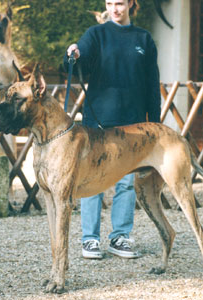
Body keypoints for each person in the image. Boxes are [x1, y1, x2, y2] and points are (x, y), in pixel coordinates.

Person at [63, 0, 161, 259]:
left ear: (130, 3)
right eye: (109, 3)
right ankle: (90, 239)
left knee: (127, 184)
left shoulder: (144, 39)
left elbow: (152, 85)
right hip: (97, 122)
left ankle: (120, 237)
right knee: (92, 182)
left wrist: (156, 125)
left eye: (119, 3)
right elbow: (79, 55)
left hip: (133, 126)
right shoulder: (96, 34)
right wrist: (73, 53)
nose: (114, 8)